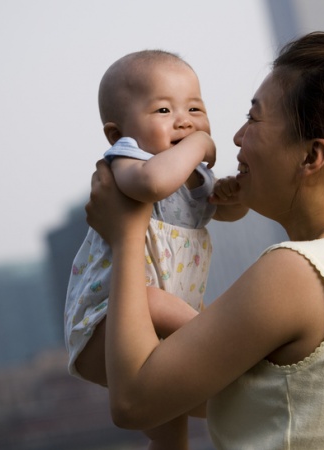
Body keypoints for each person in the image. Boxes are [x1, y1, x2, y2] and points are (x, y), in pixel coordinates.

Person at [82, 31, 324, 449]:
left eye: (255, 118)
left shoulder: (296, 272)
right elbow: (249, 399)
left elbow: (133, 404)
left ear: (312, 156)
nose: (238, 137)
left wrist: (126, 235)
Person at [63, 50, 247, 449]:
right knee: (158, 302)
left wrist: (235, 196)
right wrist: (198, 143)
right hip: (108, 323)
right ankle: (221, 338)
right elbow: (152, 185)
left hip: (156, 333)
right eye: (164, 109)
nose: (184, 120)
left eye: (195, 108)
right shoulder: (131, 161)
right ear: (117, 133)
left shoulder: (192, 173)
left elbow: (224, 213)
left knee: (169, 418)